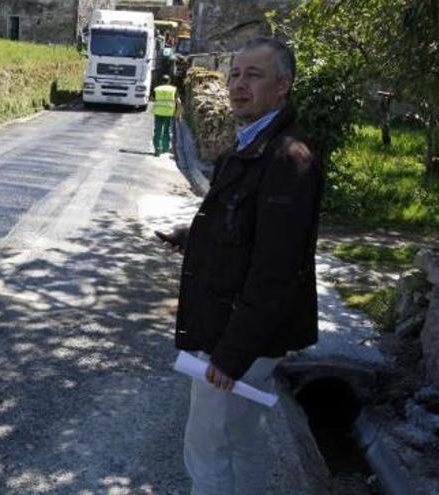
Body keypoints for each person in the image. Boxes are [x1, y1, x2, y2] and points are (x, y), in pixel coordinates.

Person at [157, 37, 323, 494]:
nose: (237, 85)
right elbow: (247, 230)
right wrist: (195, 239)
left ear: (283, 85)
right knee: (241, 440)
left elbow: (276, 269)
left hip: (236, 337)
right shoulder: (251, 145)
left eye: (254, 75)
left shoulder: (287, 159)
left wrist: (230, 356)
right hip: (237, 332)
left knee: (208, 448)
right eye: (234, 74)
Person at [152, 75, 177, 156]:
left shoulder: (157, 89)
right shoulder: (173, 90)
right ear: (169, 81)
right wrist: (178, 113)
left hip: (158, 112)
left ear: (162, 81)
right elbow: (178, 101)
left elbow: (152, 99)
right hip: (169, 113)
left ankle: (157, 149)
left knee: (157, 131)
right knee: (166, 130)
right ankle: (165, 148)